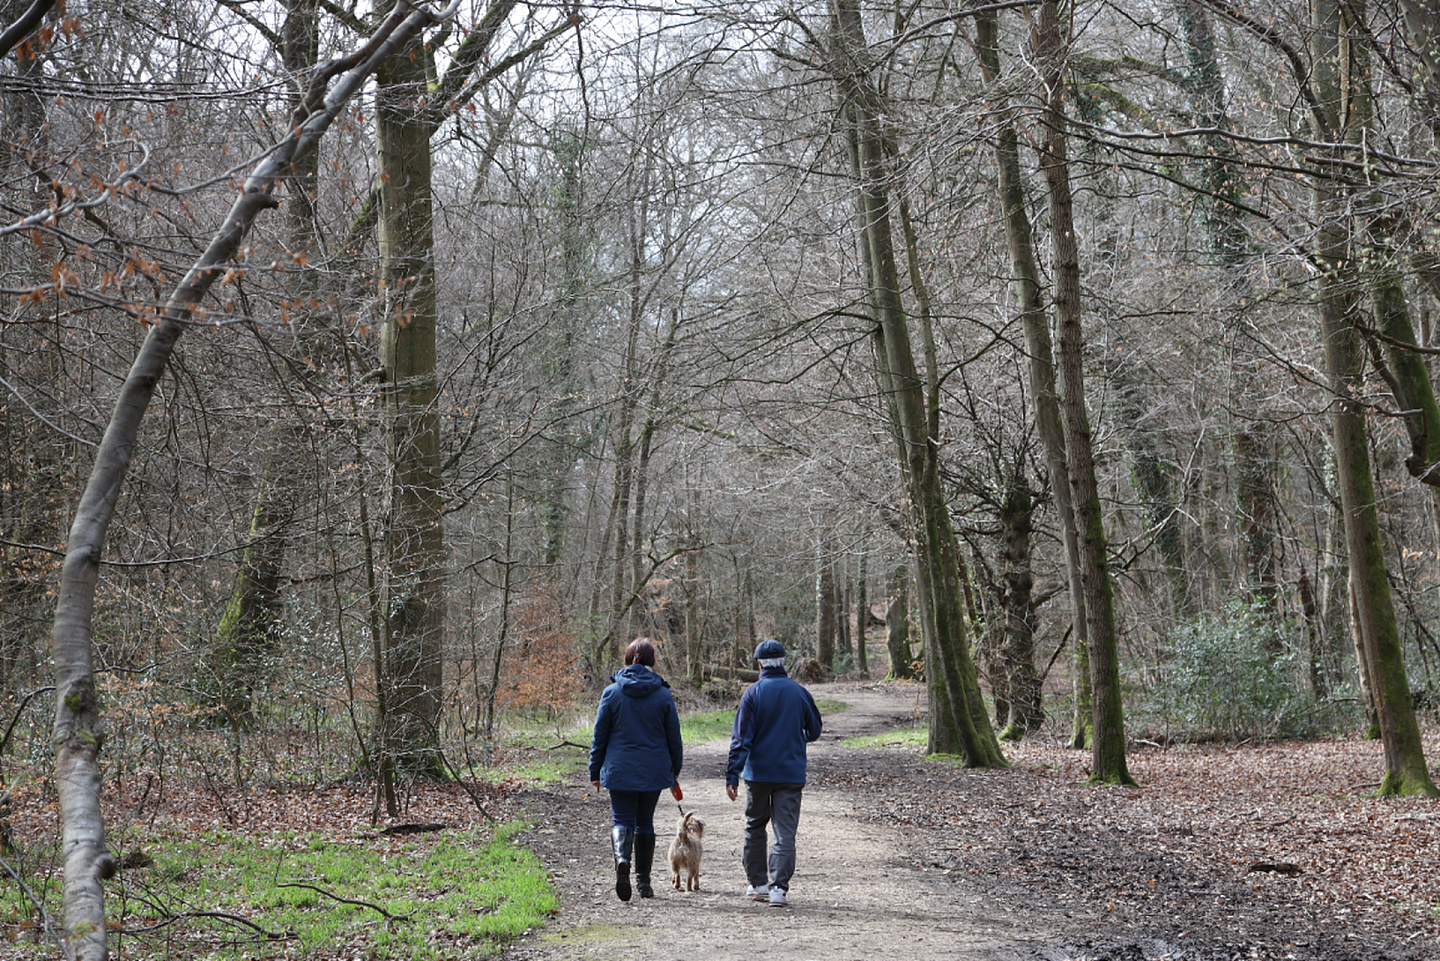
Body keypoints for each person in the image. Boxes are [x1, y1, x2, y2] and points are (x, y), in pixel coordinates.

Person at [725, 639, 823, 908]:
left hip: (757, 775)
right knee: (785, 832)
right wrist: (797, 735)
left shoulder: (752, 693)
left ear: (758, 664)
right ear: (784, 661)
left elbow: (740, 739)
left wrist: (733, 774)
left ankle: (758, 884)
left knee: (754, 826)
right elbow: (814, 730)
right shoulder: (799, 693)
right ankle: (779, 888)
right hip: (790, 774)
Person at [590, 637, 683, 902]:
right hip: (653, 770)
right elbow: (673, 737)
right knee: (645, 822)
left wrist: (595, 770)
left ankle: (622, 862)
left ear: (628, 658)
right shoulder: (663, 694)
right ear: (651, 661)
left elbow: (600, 736)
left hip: (619, 770)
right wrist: (675, 768)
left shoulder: (612, 693)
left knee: (622, 820)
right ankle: (644, 882)